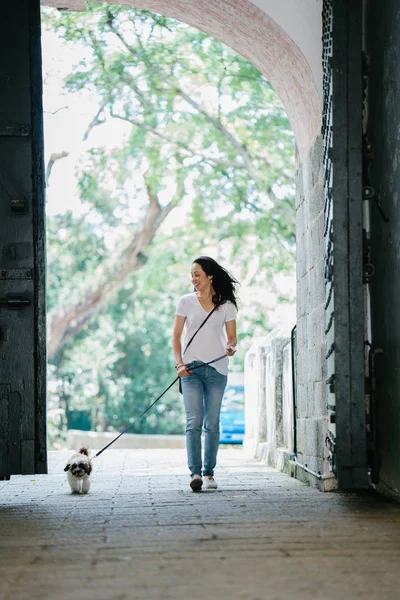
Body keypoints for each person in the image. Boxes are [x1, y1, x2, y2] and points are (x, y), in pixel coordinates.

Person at [172, 256, 238, 492]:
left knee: (212, 423)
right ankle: (195, 473)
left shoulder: (226, 305)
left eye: (197, 274)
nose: (193, 279)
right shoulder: (186, 302)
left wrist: (231, 347)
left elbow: (232, 338)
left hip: (217, 369)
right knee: (194, 422)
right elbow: (176, 337)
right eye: (192, 275)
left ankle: (209, 473)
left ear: (210, 276)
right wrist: (179, 364)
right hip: (191, 370)